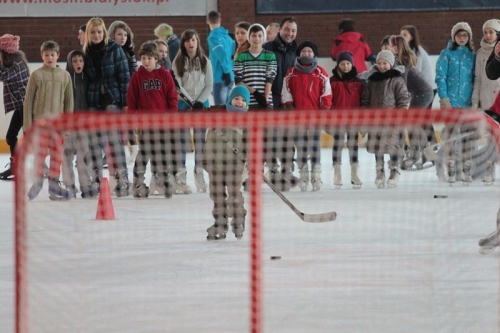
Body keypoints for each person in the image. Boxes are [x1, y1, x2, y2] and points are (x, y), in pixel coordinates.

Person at [83, 17, 131, 197]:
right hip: (94, 100)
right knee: (95, 141)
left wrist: (125, 103)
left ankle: (122, 178)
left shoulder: (114, 49)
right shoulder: (86, 52)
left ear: (104, 33)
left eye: (99, 32)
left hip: (112, 98)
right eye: (93, 32)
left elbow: (124, 76)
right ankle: (96, 178)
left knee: (114, 138)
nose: (96, 35)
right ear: (89, 34)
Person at [127, 41, 178, 199]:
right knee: (145, 152)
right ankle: (138, 180)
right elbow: (132, 100)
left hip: (163, 123)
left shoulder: (165, 75)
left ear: (156, 58)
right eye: (143, 57)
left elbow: (172, 98)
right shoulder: (137, 77)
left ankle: (161, 179)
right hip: (145, 123)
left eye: (149, 58)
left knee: (162, 152)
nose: (146, 61)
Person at [24, 40, 74, 200]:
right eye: (46, 55)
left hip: (58, 127)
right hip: (40, 126)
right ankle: (37, 183)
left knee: (56, 155)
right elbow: (28, 102)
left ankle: (54, 184)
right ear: (42, 56)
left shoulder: (65, 76)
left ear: (58, 56)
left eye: (53, 54)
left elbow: (69, 103)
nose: (50, 57)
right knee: (40, 154)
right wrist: (27, 126)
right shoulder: (36, 75)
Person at [281, 40, 332, 191]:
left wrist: (324, 111)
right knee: (302, 146)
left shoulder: (320, 73)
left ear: (314, 54)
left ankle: (316, 175)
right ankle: (303, 175)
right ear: (299, 54)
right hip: (298, 118)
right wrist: (289, 107)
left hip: (315, 117)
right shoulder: (291, 73)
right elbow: (286, 91)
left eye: (310, 51)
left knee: (314, 146)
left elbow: (326, 93)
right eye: (304, 51)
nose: (306, 53)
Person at [203, 85, 249, 240]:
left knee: (234, 195)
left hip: (234, 166)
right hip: (214, 163)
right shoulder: (219, 110)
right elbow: (202, 114)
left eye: (243, 100)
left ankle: (238, 220)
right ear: (230, 99)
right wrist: (199, 108)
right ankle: (220, 222)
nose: (239, 102)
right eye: (236, 98)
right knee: (217, 195)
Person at [381, 35, 433, 170]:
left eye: (388, 46)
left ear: (396, 48)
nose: (386, 49)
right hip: (420, 93)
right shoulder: (398, 61)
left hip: (424, 93)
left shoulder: (402, 63)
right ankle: (423, 150)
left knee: (410, 122)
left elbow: (401, 85)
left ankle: (420, 151)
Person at [172, 29, 213, 194]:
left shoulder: (205, 62)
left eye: (193, 40)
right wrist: (190, 101)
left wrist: (200, 102)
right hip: (183, 106)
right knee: (182, 141)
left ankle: (199, 172)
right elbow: (177, 86)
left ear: (197, 42)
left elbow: (209, 84)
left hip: (201, 106)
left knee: (200, 141)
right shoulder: (178, 62)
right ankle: (181, 176)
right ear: (183, 43)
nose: (190, 43)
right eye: (187, 40)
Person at [361, 50, 410, 188]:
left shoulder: (397, 80)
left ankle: (394, 170)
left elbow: (403, 99)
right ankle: (379, 170)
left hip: (392, 122)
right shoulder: (372, 80)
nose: (382, 66)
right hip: (376, 121)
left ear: (391, 63)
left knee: (393, 146)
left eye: (385, 63)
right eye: (379, 63)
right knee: (378, 147)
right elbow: (365, 99)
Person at [435, 22, 476, 185]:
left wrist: (475, 100)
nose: (462, 38)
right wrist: (444, 98)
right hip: (450, 103)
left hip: (467, 103)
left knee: (467, 136)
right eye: (459, 35)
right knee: (450, 136)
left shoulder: (472, 55)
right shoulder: (446, 54)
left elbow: (476, 78)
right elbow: (440, 78)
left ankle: (467, 168)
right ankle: (450, 165)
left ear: (469, 38)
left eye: (465, 36)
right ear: (454, 37)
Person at [263, 17, 299, 190]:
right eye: (287, 29)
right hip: (271, 97)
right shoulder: (267, 48)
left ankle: (287, 168)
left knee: (287, 135)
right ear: (280, 30)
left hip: (288, 99)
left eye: (293, 30)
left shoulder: (296, 50)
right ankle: (273, 169)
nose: (290, 33)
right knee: (270, 136)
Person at [62, 50, 96, 198]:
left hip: (83, 124)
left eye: (80, 61)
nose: (78, 64)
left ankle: (86, 185)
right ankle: (69, 185)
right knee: (66, 155)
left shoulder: (88, 79)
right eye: (74, 61)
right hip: (67, 125)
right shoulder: (64, 79)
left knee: (84, 156)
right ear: (70, 63)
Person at [328, 51, 364, 189]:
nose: (345, 66)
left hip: (353, 119)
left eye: (348, 63)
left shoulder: (358, 81)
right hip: (338, 119)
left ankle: (354, 173)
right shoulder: (332, 81)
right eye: (342, 63)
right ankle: (337, 173)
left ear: (352, 64)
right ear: (338, 65)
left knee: (353, 145)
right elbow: (329, 100)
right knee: (337, 144)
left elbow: (362, 100)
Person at [108, 20, 140, 166]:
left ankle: (132, 146)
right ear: (112, 35)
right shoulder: (111, 51)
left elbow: (134, 71)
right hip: (116, 94)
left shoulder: (128, 51)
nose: (122, 37)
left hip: (129, 92)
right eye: (119, 34)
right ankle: (124, 150)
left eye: (125, 35)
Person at [0, 34, 29, 181]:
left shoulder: (15, 63)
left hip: (27, 106)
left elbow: (1, 75)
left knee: (25, 137)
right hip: (22, 105)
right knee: (12, 136)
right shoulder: (15, 61)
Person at [206, 10, 235, 105]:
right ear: (220, 20)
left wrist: (226, 72)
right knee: (227, 108)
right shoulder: (228, 38)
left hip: (220, 76)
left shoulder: (213, 37)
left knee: (220, 110)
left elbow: (222, 54)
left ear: (208, 21)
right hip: (230, 76)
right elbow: (232, 55)